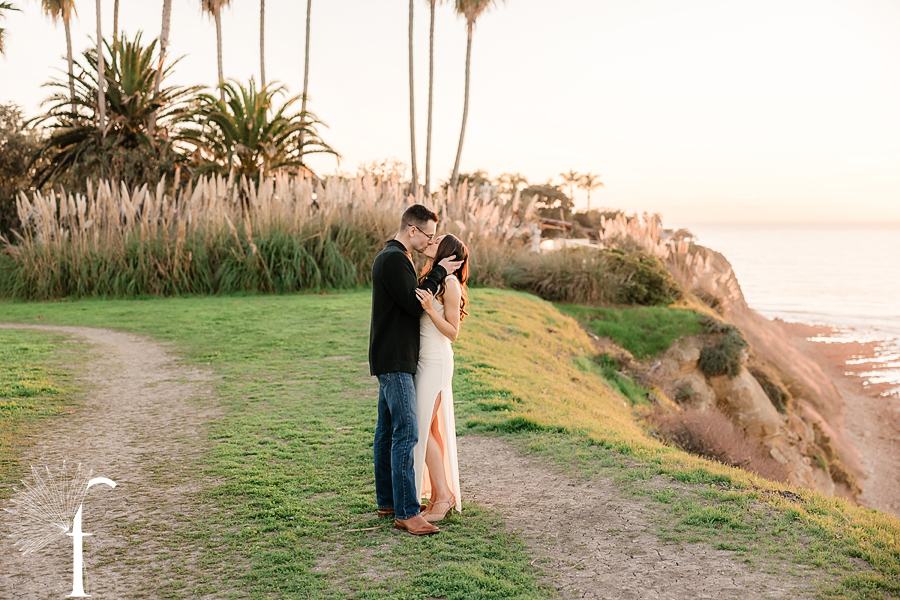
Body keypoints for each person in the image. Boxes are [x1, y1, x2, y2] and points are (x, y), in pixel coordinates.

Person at [369, 205, 462, 536]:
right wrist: (439, 272)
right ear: (412, 230)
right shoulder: (394, 259)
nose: (430, 240)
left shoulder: (397, 257)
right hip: (396, 359)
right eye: (428, 234)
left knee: (388, 431)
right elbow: (413, 303)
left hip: (399, 358)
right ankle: (407, 512)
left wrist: (439, 273)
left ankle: (389, 503)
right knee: (407, 431)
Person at [413, 234, 468, 522]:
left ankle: (444, 496)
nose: (431, 241)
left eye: (437, 241)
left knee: (422, 429)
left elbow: (453, 332)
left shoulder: (450, 283)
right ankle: (437, 495)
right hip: (424, 360)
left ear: (446, 252)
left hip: (436, 362)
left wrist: (428, 310)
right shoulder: (431, 277)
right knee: (430, 429)